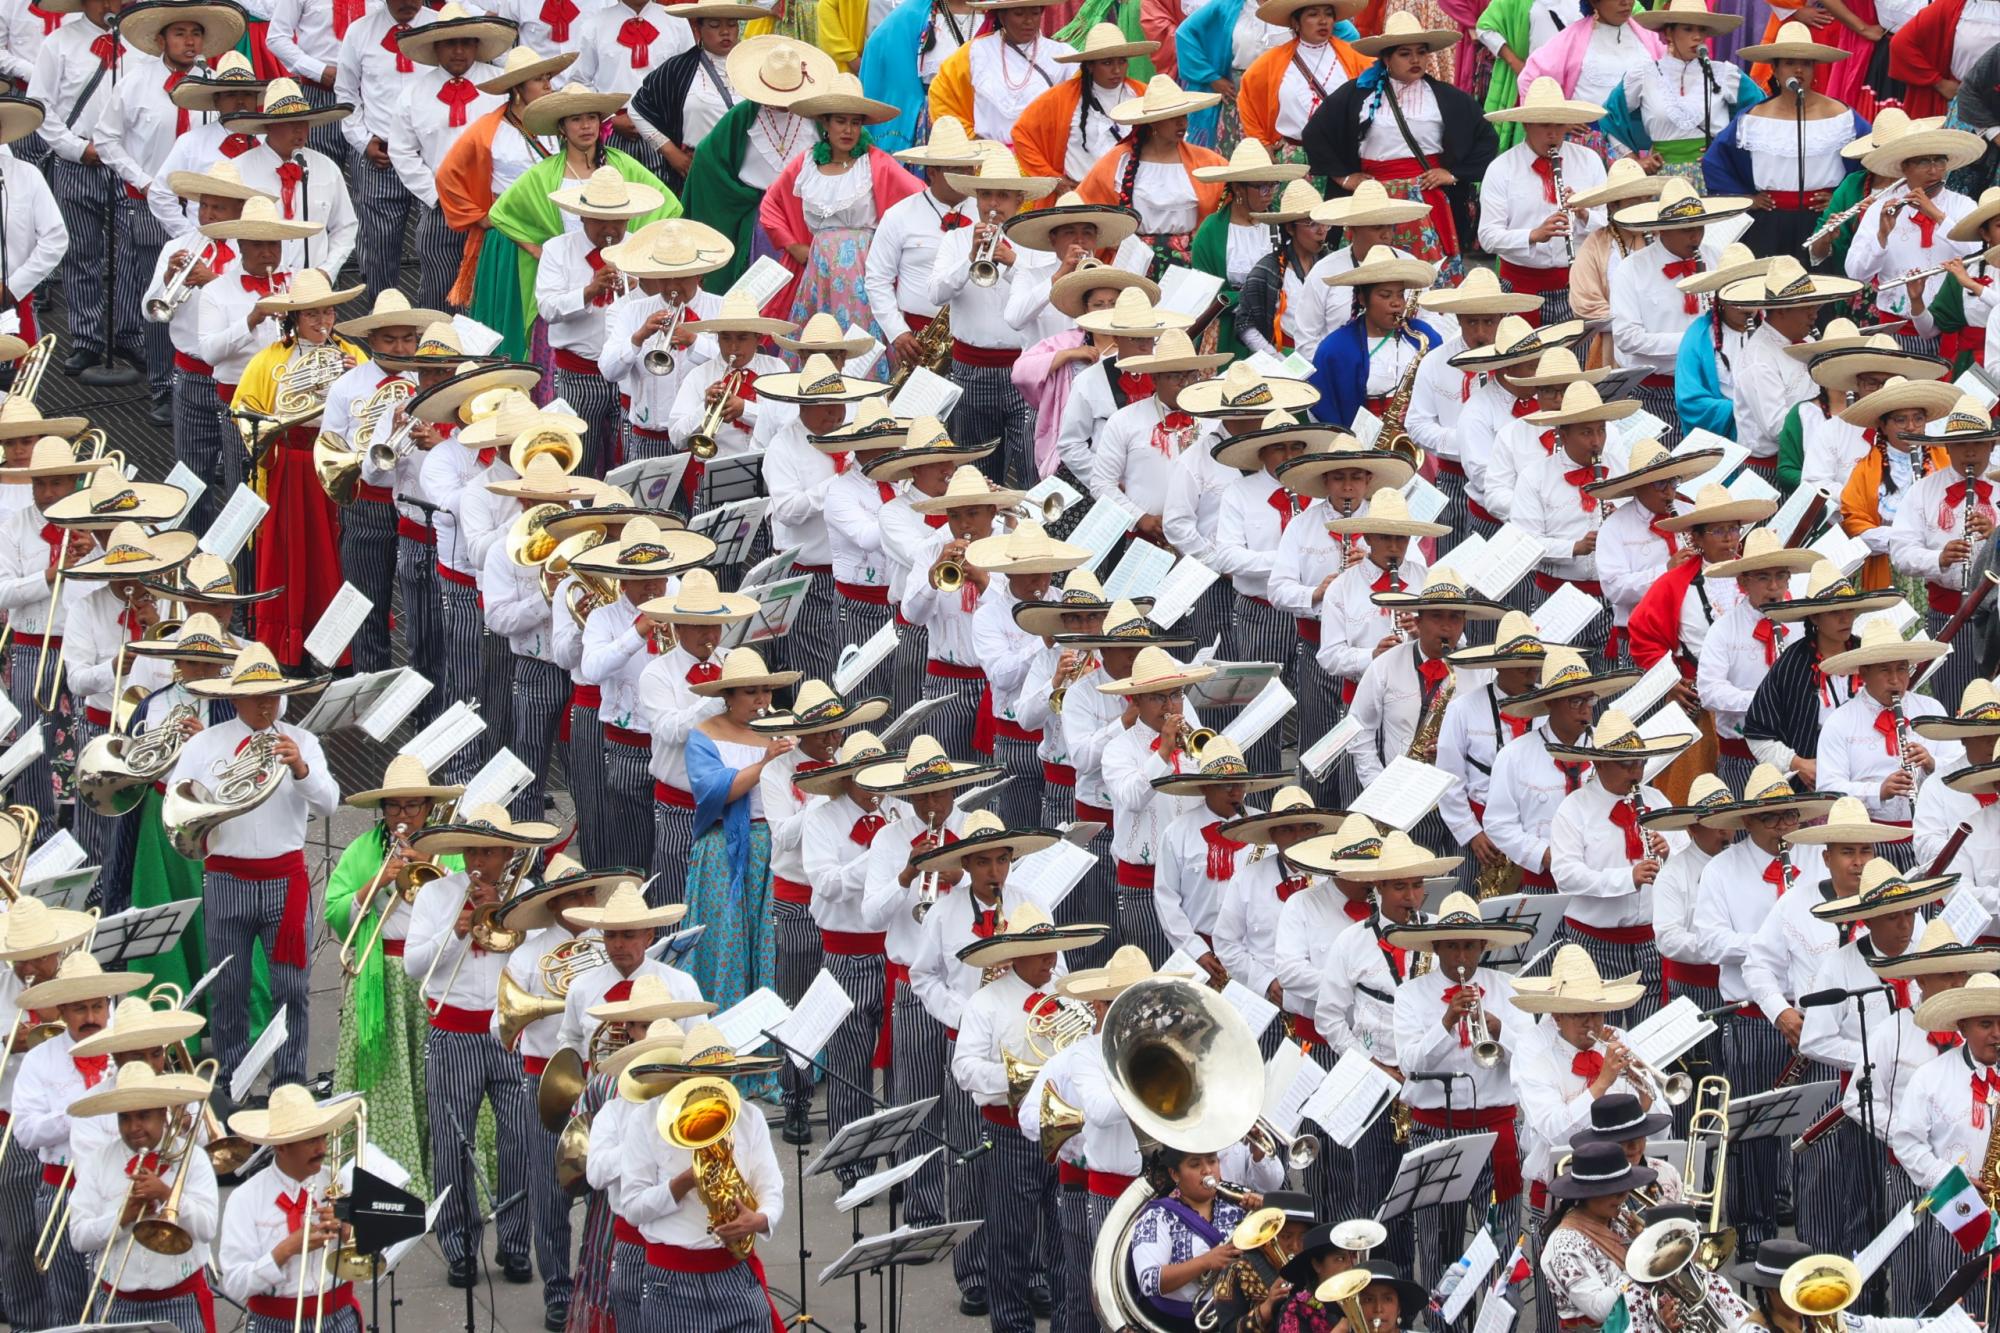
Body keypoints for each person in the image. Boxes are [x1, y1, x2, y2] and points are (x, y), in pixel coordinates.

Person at [167, 641, 336, 1100]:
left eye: (274, 694)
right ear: (234, 698)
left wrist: (300, 768)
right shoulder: (205, 745)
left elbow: (329, 802)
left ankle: (290, 1084)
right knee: (229, 989)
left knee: (291, 989)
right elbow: (178, 806)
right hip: (225, 877)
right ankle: (231, 1087)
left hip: (285, 879)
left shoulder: (304, 742)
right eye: (256, 694)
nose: (266, 703)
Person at [403, 804, 559, 1288]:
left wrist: (507, 918)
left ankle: (514, 1246)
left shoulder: (528, 897)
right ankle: (459, 1247)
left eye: (490, 852)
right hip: (452, 1032)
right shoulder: (436, 894)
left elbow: (543, 963)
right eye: (472, 850)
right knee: (452, 1143)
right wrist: (457, 931)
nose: (479, 862)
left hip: (512, 1035)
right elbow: (414, 967)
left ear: (510, 853)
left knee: (520, 1144)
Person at [476, 80, 679, 365]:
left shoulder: (623, 166)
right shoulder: (544, 175)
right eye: (576, 119)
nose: (585, 126)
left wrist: (640, 260)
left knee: (623, 346)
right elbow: (502, 214)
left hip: (621, 275)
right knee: (571, 351)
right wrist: (540, 251)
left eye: (591, 117)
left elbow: (667, 207)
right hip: (569, 270)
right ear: (562, 127)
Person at [229, 267, 364, 665]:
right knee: (288, 553)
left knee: (334, 556)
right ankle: (283, 649)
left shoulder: (353, 356)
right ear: (294, 318)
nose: (322, 322)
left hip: (333, 461)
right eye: (312, 315)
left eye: (328, 313)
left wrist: (357, 381)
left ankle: (334, 649)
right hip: (288, 461)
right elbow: (244, 410)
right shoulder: (270, 360)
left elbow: (369, 410)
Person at [10, 952, 152, 1324]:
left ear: (108, 1006)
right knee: (70, 1299)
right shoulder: (39, 1059)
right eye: (78, 1009)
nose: (90, 1018)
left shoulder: (127, 1052)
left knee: (121, 1296)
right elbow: (25, 1132)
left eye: (96, 1007)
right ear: (61, 1011)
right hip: (62, 1188)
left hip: (124, 1184)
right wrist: (83, 1110)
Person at [624, 1023, 787, 1333]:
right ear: (685, 1079)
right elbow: (632, 1208)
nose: (719, 1087)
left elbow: (771, 1190)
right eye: (707, 1080)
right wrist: (683, 1182)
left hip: (735, 1276)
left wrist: (760, 1219)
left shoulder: (749, 1117)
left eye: (724, 1078)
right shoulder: (646, 1120)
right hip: (670, 1284)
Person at [1305, 11, 1497, 274]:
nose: (1416, 60)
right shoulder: (1357, 94)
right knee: (1374, 273)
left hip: (1428, 202)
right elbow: (1316, 133)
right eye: (1405, 54)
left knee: (1429, 277)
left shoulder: (1448, 98)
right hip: (1373, 200)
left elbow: (1485, 139)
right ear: (1386, 57)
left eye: (1421, 52)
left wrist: (1452, 175)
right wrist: (1346, 179)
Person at [1547, 708, 1695, 1025]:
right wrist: (1627, 878)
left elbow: (1690, 862)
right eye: (1626, 764)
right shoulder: (1574, 809)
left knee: (1652, 1036)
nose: (1636, 773)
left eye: (1640, 763)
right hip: (1595, 944)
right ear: (1600, 764)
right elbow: (1566, 876)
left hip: (1652, 941)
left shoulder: (1657, 800)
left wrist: (1670, 853)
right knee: (1605, 1037)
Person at [680, 36, 839, 302]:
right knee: (765, 296)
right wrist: (744, 200)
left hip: (810, 220)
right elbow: (707, 162)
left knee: (810, 293)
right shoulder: (742, 117)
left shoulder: (816, 118)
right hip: (764, 223)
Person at [65, 1061, 220, 1333]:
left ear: (163, 1113)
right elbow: (78, 1237)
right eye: (125, 1118)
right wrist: (122, 1218)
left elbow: (207, 1229)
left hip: (180, 1300)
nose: (134, 1126)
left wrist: (168, 1195)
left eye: (144, 1115)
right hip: (118, 1303)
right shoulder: (99, 1162)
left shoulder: (192, 1158)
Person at [383, 7, 514, 314]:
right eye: (449, 43)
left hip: (495, 206)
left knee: (493, 291)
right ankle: (440, 357)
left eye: (466, 42)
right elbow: (400, 151)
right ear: (435, 47)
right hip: (440, 208)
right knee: (439, 293)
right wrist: (437, 195)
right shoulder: (414, 93)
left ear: (477, 45)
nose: (458, 50)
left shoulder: (502, 86)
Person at [215, 1086, 377, 1333]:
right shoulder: (245, 1198)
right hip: (273, 1323)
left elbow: (375, 1264)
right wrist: (287, 1249)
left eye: (323, 1137)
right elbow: (235, 1285)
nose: (322, 1148)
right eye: (311, 1140)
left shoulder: (340, 1183)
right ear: (281, 1147)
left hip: (339, 1318)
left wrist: (349, 1231)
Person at [1703, 22, 1865, 255]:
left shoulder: (1843, 116)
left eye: (1806, 64)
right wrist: (1748, 199)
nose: (1798, 71)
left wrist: (1840, 199)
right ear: (1776, 69)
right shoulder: (1752, 119)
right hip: (1768, 223)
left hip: (1823, 221)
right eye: (1789, 63)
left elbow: (1869, 160)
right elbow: (1715, 163)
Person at [431, 45, 570, 314]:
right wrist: (480, 217)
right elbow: (447, 175)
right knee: (514, 308)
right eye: (539, 80)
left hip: (554, 226)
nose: (548, 86)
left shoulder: (557, 125)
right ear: (518, 88)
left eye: (548, 79)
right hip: (510, 231)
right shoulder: (488, 129)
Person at [1743, 561, 1899, 783]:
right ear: (1815, 617)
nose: (1846, 619)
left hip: (1877, 779)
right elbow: (1758, 733)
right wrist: (1798, 763)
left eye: (1849, 609)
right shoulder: (1793, 665)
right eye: (1835, 612)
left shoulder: (1871, 657)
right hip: (1814, 784)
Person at [1478, 78, 1610, 328]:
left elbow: (1607, 227)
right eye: (1544, 125)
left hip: (1579, 283)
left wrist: (1583, 214)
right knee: (1523, 365)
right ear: (1526, 124)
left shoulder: (1589, 160)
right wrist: (1533, 235)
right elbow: (1487, 237)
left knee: (1576, 363)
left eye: (1559, 125)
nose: (1553, 134)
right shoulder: (1501, 168)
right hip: (1521, 289)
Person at [1076, 75, 1225, 280]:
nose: (1182, 123)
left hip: (1191, 263)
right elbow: (1086, 207)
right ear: (1153, 122)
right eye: (1173, 117)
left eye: (1184, 116)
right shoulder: (1117, 162)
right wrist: (1110, 240)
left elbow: (1228, 208)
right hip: (1135, 262)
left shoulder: (1208, 162)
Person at [222, 78, 359, 289]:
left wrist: (327, 271)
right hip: (255, 286)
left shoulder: (327, 168)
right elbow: (226, 231)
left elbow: (345, 226)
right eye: (290, 123)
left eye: (303, 122)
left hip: (313, 286)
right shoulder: (238, 169)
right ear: (269, 126)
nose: (299, 131)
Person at [1604, 0, 1758, 180]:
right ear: (1669, 32)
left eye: (1702, 30)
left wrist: (1728, 148)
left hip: (1716, 176)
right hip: (1663, 180)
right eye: (1688, 29)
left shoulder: (1726, 74)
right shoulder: (1644, 76)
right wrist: (1634, 162)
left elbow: (1761, 113)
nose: (1697, 37)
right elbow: (1610, 118)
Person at [1836, 377, 1964, 590]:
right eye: (1901, 420)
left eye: (1918, 418)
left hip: (1941, 562)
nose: (1911, 427)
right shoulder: (1865, 470)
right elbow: (1854, 521)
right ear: (1883, 426)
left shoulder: (1945, 459)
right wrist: (1902, 540)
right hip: (1887, 567)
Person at [626, 1, 763, 196]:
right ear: (696, 27)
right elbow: (637, 109)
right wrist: (672, 154)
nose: (725, 32)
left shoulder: (758, 67)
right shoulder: (679, 69)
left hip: (751, 175)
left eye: (732, 24)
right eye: (715, 25)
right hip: (699, 173)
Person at [1012, 23, 1153, 195]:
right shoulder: (1061, 97)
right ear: (1090, 66)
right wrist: (1052, 179)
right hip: (1080, 198)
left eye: (1122, 61)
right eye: (1107, 63)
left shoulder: (1143, 94)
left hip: (1133, 196)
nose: (1117, 70)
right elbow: (1021, 133)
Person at [1308, 256, 1441, 427]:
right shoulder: (1335, 348)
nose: (1396, 304)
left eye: (1400, 295)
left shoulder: (1424, 335)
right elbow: (1323, 410)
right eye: (1385, 295)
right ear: (1363, 298)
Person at [926, 0, 1074, 145]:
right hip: (989, 161)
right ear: (1002, 16)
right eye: (1019, 14)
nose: (1028, 21)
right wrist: (972, 142)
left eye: (1035, 13)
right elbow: (942, 94)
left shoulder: (1061, 55)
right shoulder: (976, 52)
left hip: (1042, 159)